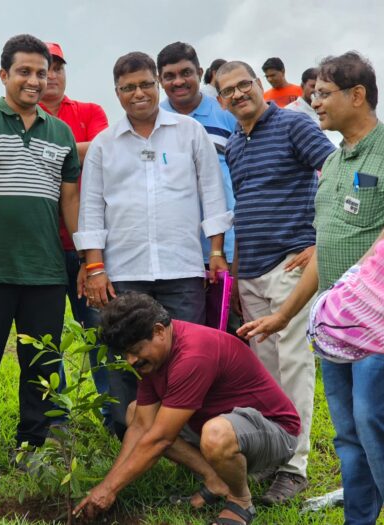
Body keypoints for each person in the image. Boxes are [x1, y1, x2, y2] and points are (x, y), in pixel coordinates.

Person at [238, 52, 384, 525]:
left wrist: (356, 283)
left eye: (323, 93)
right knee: (347, 432)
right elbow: (325, 247)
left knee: (374, 423)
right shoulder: (336, 162)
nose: (313, 101)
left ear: (356, 95)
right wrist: (284, 316)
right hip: (336, 325)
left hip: (377, 325)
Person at [74, 51, 231, 439]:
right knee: (127, 360)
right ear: (117, 92)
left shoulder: (189, 132)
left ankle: (190, 443)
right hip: (124, 273)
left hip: (183, 269)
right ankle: (132, 442)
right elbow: (91, 208)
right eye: (129, 88)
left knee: (188, 360)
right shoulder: (103, 145)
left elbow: (212, 193)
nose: (139, 93)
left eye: (146, 84)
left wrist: (215, 252)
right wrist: (94, 267)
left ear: (157, 84)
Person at [0, 34, 80, 484]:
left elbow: (70, 203)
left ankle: (32, 445)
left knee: (41, 365)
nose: (34, 80)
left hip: (45, 272)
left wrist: (86, 260)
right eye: (24, 71)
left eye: (41, 73)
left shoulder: (61, 133)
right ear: (4, 74)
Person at [215, 60, 335, 504]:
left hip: (291, 265)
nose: (238, 94)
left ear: (261, 85)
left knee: (294, 364)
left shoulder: (293, 125)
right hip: (251, 273)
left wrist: (320, 240)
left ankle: (295, 465)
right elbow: (243, 208)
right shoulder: (234, 144)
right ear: (221, 101)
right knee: (264, 372)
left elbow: (336, 173)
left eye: (245, 84)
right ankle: (272, 455)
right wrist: (236, 268)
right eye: (228, 90)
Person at [73, 293, 300, 525]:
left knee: (215, 435)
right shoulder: (157, 355)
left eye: (136, 349)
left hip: (276, 433)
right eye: (125, 353)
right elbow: (142, 425)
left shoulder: (193, 355)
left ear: (160, 331)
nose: (131, 360)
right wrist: (106, 487)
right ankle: (215, 480)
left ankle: (240, 500)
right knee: (135, 412)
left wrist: (109, 489)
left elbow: (159, 439)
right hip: (223, 424)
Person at [39, 41, 110, 421]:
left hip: (90, 248)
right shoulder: (23, 116)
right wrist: (75, 150)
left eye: (57, 68)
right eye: (43, 68)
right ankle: (57, 420)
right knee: (46, 336)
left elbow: (101, 149)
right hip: (43, 249)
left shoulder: (89, 111)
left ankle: (112, 414)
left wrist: (42, 148)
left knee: (100, 330)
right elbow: (86, 151)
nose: (50, 76)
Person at [157, 42, 236, 269]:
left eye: (186, 73)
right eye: (169, 76)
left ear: (200, 73)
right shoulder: (153, 120)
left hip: (228, 245)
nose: (179, 81)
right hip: (177, 250)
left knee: (230, 306)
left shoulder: (226, 113)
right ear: (160, 80)